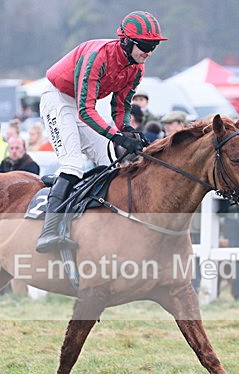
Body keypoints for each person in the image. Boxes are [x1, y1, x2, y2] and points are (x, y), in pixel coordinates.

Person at [35, 10, 166, 253]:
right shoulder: (98, 57)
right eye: (146, 45)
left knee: (111, 163)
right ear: (126, 41)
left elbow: (121, 105)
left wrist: (126, 128)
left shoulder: (136, 68)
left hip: (82, 104)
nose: (149, 52)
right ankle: (48, 231)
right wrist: (116, 136)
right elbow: (86, 110)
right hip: (58, 98)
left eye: (154, 46)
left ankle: (103, 223)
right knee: (73, 164)